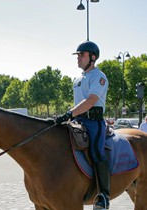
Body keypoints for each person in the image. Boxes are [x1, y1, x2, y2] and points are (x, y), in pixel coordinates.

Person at [55, 41, 110, 209]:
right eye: (77, 55)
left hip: (94, 123)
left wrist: (69, 113)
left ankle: (103, 195)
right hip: (77, 121)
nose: (78, 58)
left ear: (93, 57)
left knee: (96, 151)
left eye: (82, 55)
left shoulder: (99, 76)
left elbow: (91, 101)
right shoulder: (78, 79)